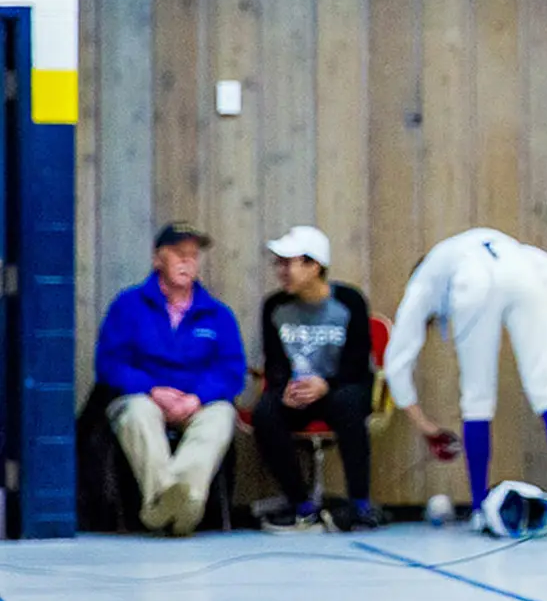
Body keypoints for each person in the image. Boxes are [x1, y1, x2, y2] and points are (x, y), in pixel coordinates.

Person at [384, 227, 547, 521]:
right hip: (525, 276)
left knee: (477, 398)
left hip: (475, 281)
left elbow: (398, 358)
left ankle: (479, 508)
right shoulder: (476, 246)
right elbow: (543, 262)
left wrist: (425, 427)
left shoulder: (425, 277)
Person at [92, 223, 247, 536]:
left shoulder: (217, 314)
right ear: (157, 259)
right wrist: (151, 390)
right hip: (144, 397)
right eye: (178, 253)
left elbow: (231, 369)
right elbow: (109, 362)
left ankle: (167, 506)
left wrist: (196, 398)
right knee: (137, 413)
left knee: (221, 416)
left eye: (193, 255)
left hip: (196, 402)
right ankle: (175, 504)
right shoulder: (129, 306)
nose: (187, 261)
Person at [252, 226, 381, 533]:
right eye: (279, 263)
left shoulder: (349, 301)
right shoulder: (274, 306)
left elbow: (358, 361)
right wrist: (283, 388)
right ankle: (300, 505)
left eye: (288, 263)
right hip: (298, 389)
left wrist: (326, 384)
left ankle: (360, 504)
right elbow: (275, 360)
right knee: (265, 413)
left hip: (341, 386)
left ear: (314, 266)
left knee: (349, 404)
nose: (281, 271)